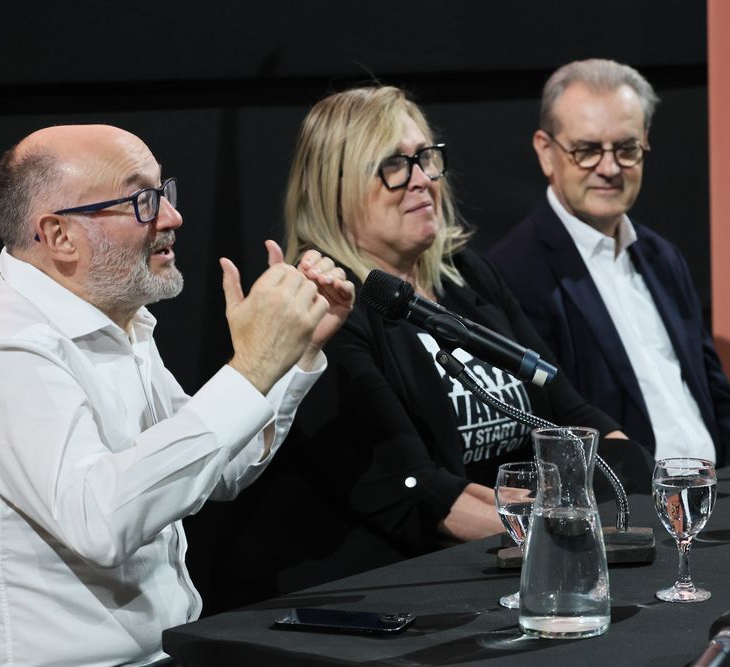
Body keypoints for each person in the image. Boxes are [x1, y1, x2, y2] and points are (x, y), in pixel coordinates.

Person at [206, 86, 643, 609]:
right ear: (333, 188)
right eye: (393, 165)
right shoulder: (327, 306)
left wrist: (632, 483)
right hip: (382, 595)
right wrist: (578, 530)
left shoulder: (467, 277)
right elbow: (423, 497)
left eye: (425, 159)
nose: (419, 180)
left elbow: (568, 412)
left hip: (503, 562)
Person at [0, 124, 354, 666]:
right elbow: (101, 521)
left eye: (163, 192)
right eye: (141, 200)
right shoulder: (9, 349)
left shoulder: (117, 322)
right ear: (59, 235)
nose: (172, 217)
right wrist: (249, 369)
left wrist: (289, 358)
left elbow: (216, 473)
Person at [487, 59, 730, 466]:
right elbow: (552, 430)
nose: (610, 168)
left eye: (627, 148)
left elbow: (717, 397)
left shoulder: (662, 256)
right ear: (547, 152)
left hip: (721, 497)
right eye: (587, 150)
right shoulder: (512, 274)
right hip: (627, 511)